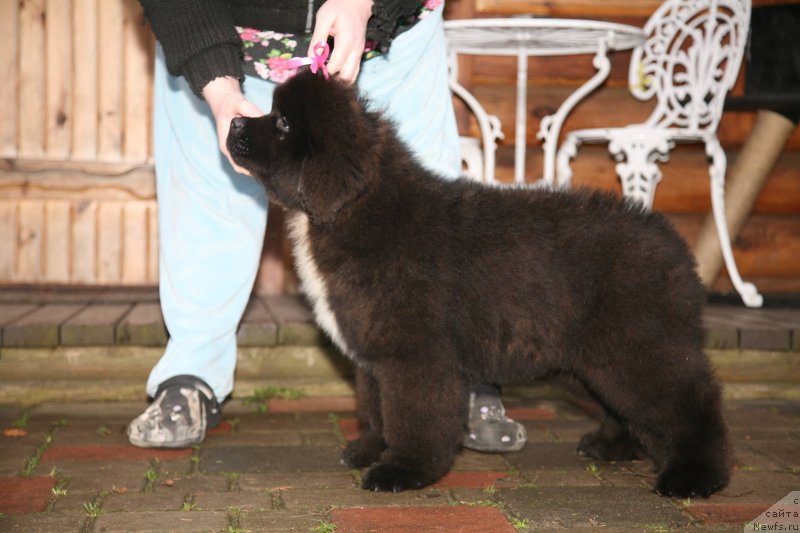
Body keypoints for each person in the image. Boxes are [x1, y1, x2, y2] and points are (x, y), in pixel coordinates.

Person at [128, 0, 526, 453]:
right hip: (230, 35)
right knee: (207, 204)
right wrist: (219, 91)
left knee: (432, 215)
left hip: (387, 31)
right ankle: (192, 371)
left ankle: (463, 374)